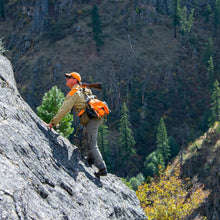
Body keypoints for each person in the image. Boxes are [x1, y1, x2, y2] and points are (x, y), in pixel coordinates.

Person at [44, 72, 107, 177]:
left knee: (92, 144)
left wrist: (52, 123)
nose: (66, 79)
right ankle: (91, 159)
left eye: (69, 77)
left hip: (91, 119)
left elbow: (64, 110)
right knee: (88, 137)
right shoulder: (84, 89)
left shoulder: (74, 93)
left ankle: (102, 168)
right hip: (95, 117)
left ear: (75, 80)